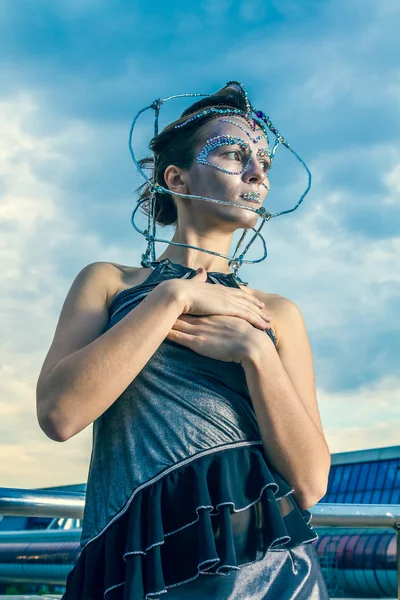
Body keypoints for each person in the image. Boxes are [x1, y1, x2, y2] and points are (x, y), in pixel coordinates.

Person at [36, 82, 331, 599]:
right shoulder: (108, 283)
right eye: (234, 154)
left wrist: (255, 352)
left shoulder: (277, 314)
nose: (257, 173)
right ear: (177, 177)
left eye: (263, 161)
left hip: (270, 575)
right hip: (139, 562)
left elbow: (309, 483)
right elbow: (60, 415)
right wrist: (171, 297)